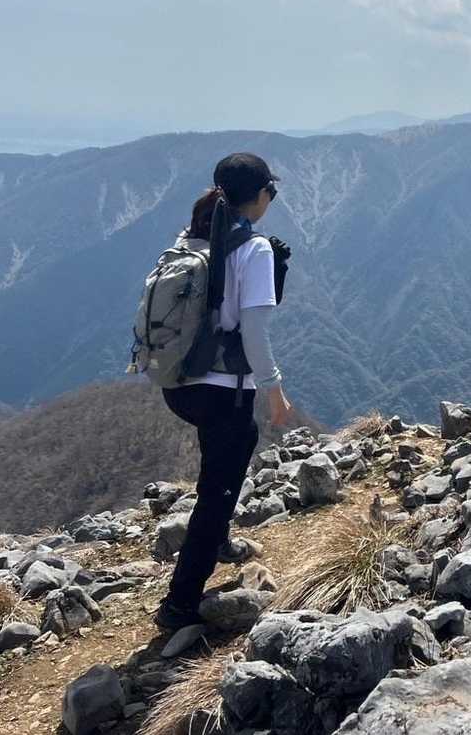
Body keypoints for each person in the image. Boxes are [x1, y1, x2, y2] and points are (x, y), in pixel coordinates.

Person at [154, 152, 295, 631]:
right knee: (216, 492)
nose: (272, 198)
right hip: (223, 391)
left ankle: (218, 543)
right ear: (260, 195)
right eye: (271, 191)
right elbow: (253, 332)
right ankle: (179, 605)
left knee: (227, 456)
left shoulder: (191, 235)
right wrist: (274, 391)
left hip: (179, 384)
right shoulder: (254, 250)